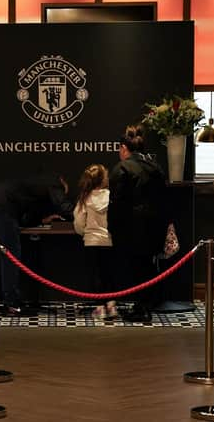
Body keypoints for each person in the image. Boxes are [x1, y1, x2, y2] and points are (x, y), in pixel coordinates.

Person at [0, 174, 74, 316]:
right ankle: (12, 305)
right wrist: (82, 215)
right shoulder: (55, 184)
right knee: (9, 255)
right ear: (62, 181)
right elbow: (64, 206)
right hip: (1, 204)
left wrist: (42, 219)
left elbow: (26, 216)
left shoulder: (31, 185)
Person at [108, 125, 168, 323]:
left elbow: (116, 204)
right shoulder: (155, 167)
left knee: (136, 268)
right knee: (148, 267)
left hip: (131, 228)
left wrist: (113, 229)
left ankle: (141, 308)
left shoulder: (122, 168)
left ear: (124, 148)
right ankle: (145, 304)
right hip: (155, 226)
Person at [73, 164, 117, 320]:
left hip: (91, 241)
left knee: (96, 275)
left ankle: (99, 308)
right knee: (108, 274)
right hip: (108, 241)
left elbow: (78, 222)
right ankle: (111, 306)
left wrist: (84, 233)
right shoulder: (111, 196)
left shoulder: (85, 198)